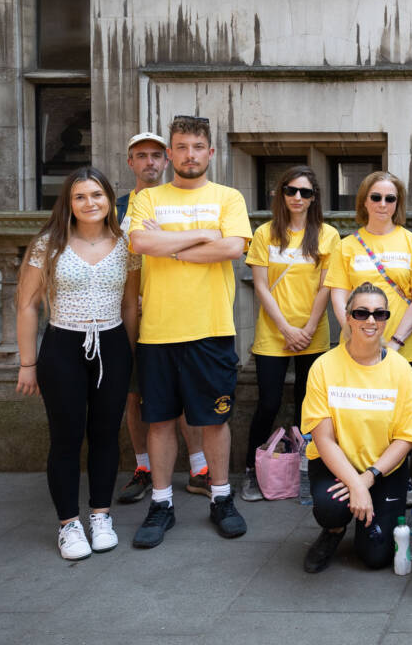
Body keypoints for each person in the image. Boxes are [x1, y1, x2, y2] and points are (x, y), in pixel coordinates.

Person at [127, 115, 252, 547]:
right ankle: (161, 503)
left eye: (197, 147)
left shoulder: (229, 197)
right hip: (158, 330)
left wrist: (172, 245)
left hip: (211, 327)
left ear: (210, 153)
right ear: (170, 154)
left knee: (214, 420)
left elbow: (233, 247)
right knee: (159, 420)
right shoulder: (146, 199)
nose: (189, 154)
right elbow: (141, 244)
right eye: (180, 147)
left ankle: (221, 497)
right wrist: (202, 234)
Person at [16, 167, 140, 560]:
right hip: (63, 347)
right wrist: (27, 363)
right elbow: (26, 305)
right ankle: (69, 523)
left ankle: (100, 515)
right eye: (81, 197)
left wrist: (133, 356)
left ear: (109, 200)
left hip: (113, 344)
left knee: (106, 434)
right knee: (66, 437)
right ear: (69, 203)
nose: (90, 203)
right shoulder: (48, 244)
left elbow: (129, 306)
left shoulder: (127, 246)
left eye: (97, 195)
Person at [299, 283, 412, 573]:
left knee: (376, 557)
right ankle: (333, 531)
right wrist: (355, 483)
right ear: (347, 316)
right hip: (336, 466)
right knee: (331, 509)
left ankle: (368, 524)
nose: (371, 320)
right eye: (362, 312)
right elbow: (324, 439)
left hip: (383, 470)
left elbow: (406, 439)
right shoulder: (324, 366)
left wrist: (367, 479)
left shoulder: (401, 370)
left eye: (379, 314)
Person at [115, 132, 208, 504]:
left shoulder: (181, 202)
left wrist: (164, 242)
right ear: (130, 162)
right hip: (126, 315)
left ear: (167, 159)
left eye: (156, 155)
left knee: (185, 393)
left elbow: (207, 245)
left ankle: (200, 469)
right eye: (141, 156)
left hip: (176, 310)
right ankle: (143, 467)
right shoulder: (114, 207)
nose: (149, 162)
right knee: (134, 394)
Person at [241, 165, 341, 502]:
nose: (298, 197)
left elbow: (328, 286)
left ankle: (303, 474)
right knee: (268, 403)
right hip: (274, 333)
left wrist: (309, 328)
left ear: (314, 199)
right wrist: (286, 328)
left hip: (314, 331)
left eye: (305, 192)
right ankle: (251, 472)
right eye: (291, 190)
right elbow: (260, 286)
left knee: (307, 406)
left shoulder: (328, 235)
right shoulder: (265, 234)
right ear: (280, 194)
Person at [325, 171, 412, 368]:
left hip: (404, 348)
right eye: (376, 197)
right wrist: (355, 337)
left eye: (389, 198)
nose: (382, 204)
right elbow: (339, 298)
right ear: (364, 201)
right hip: (356, 348)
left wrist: (395, 343)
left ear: (397, 203)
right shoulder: (346, 246)